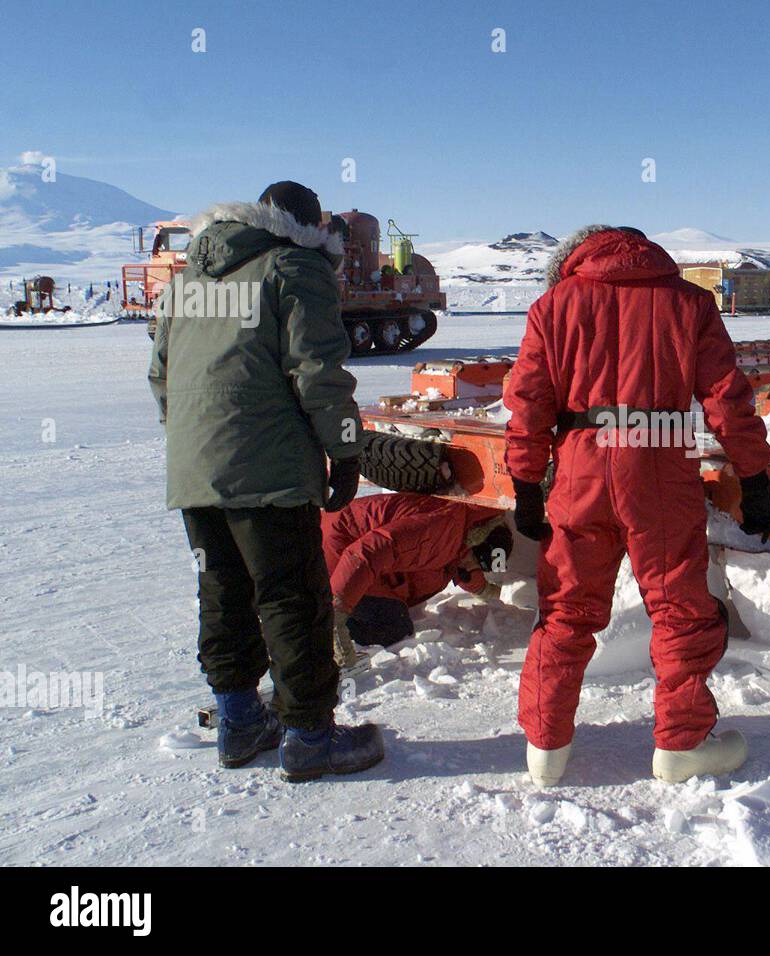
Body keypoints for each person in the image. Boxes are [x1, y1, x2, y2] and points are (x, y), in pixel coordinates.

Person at [505, 225, 770, 786]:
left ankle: (545, 748)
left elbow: (529, 403)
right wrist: (753, 477)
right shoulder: (690, 302)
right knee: (678, 607)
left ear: (577, 257)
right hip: (660, 462)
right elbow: (726, 397)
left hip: (580, 467)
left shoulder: (552, 304)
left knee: (565, 610)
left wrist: (527, 485)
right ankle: (682, 745)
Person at [148, 180, 384, 782]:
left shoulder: (187, 281)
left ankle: (239, 721)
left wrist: (194, 444)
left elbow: (162, 377)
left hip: (195, 469)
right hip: (270, 473)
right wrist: (347, 451)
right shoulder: (293, 268)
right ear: (308, 227)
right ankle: (310, 736)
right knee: (292, 597)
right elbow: (318, 372)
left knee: (223, 592)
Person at [321, 492, 514, 662]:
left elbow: (464, 567)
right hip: (336, 556)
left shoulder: (465, 526)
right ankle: (318, 632)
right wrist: (338, 610)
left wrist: (486, 590)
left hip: (346, 554)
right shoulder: (442, 531)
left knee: (394, 616)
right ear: (476, 541)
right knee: (393, 626)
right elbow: (368, 553)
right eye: (476, 562)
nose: (473, 568)